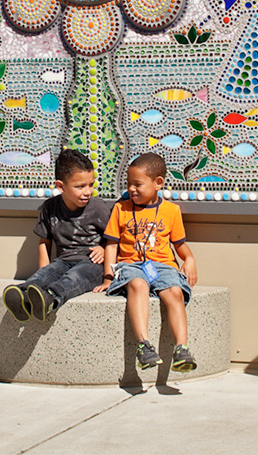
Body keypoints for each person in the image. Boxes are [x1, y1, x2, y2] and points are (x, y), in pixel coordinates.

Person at [94, 153, 199, 372]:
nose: (132, 189)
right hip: (130, 265)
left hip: (162, 266)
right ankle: (144, 345)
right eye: (129, 184)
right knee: (138, 285)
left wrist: (189, 259)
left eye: (137, 184)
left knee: (175, 292)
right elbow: (111, 246)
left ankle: (182, 349)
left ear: (158, 183)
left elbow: (179, 244)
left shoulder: (171, 211)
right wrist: (108, 277)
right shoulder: (121, 209)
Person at [3, 149, 111, 322]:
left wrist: (104, 249)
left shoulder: (99, 208)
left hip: (92, 264)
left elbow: (116, 240)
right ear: (61, 186)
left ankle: (51, 298)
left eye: (91, 184)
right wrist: (43, 269)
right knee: (47, 274)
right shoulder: (50, 208)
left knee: (76, 277)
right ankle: (24, 296)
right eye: (80, 186)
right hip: (63, 261)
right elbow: (44, 242)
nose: (88, 191)